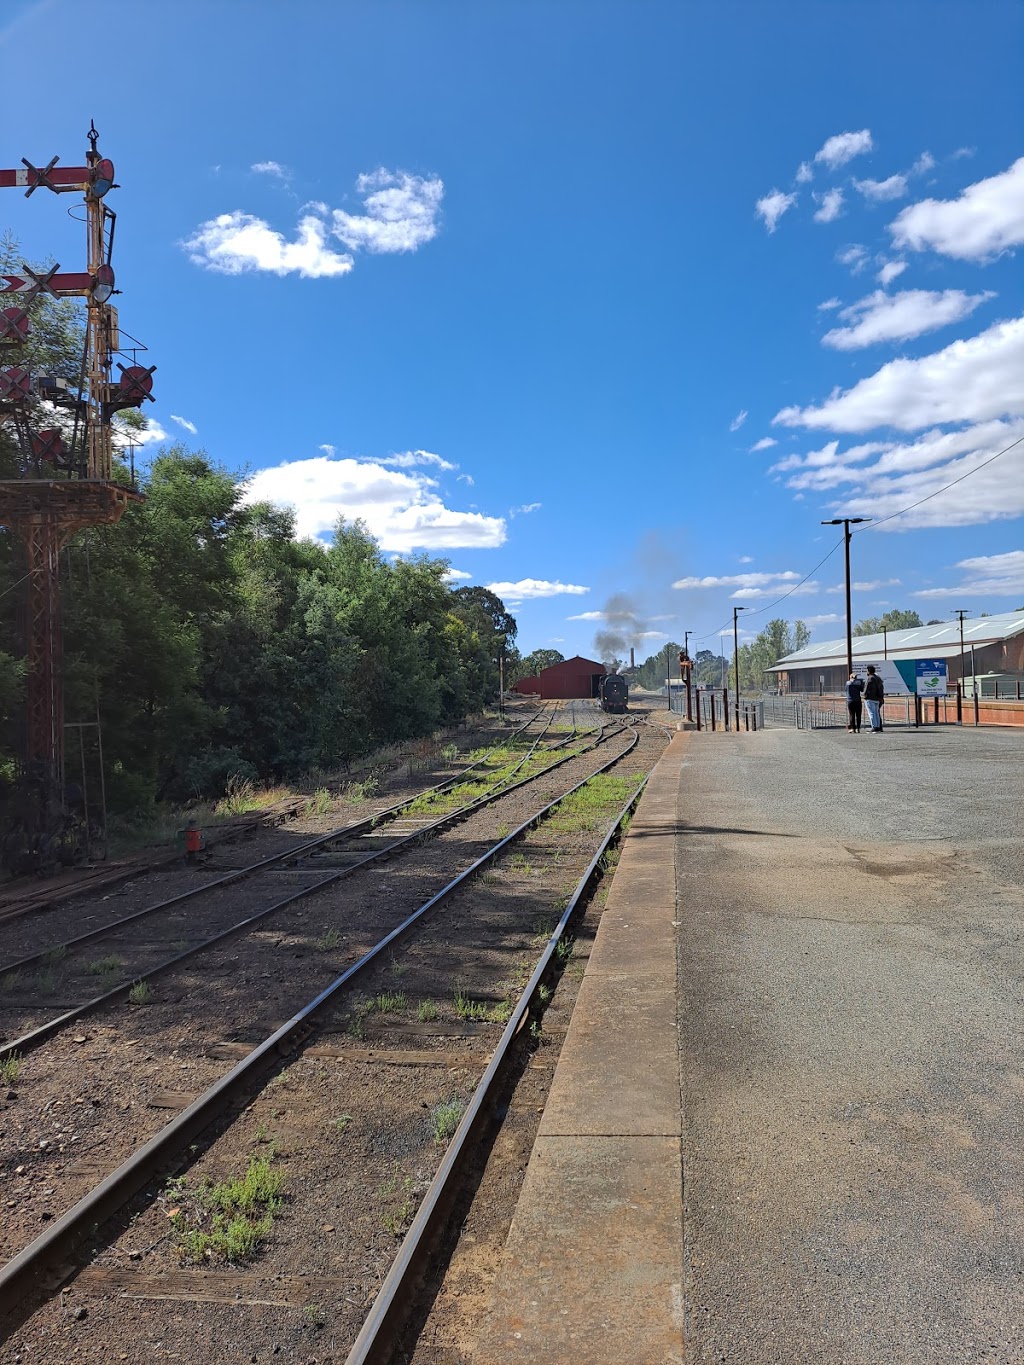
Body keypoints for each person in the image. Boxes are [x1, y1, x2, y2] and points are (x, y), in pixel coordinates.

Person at [863, 665, 885, 732]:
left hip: (870, 698)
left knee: (871, 713)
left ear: (869, 671)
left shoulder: (870, 678)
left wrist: (864, 694)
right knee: (876, 713)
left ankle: (874, 727)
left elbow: (867, 688)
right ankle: (878, 726)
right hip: (877, 698)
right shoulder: (878, 678)